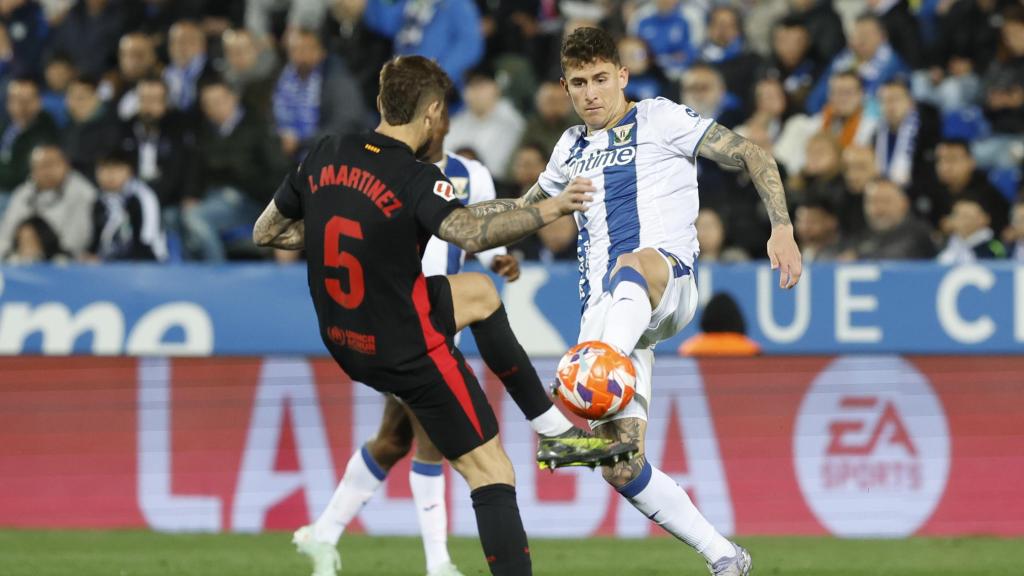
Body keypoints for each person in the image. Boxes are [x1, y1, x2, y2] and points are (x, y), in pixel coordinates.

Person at [252, 55, 598, 576]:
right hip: (404, 344)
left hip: (346, 336)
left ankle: (552, 429)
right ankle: (462, 549)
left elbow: (267, 232)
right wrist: (551, 209)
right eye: (444, 116)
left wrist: (344, 224)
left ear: (379, 104)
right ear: (433, 111)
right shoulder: (416, 177)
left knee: (480, 293)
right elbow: (469, 232)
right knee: (491, 469)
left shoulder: (325, 152)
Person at [523, 26, 801, 575]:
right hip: (607, 315)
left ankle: (587, 387)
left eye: (602, 79)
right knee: (621, 465)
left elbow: (750, 153)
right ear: (566, 86)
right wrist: (451, 228)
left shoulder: (658, 118)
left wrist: (783, 227)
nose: (591, 93)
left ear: (622, 76)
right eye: (579, 83)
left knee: (634, 262)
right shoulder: (568, 149)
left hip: (663, 282)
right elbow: (524, 208)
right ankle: (725, 556)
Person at [0, 143, 96, 258]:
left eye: (51, 165)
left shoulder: (82, 192)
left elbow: (77, 240)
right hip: (20, 260)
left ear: (66, 165)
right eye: (40, 166)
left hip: (62, 260)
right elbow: (6, 232)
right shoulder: (22, 193)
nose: (46, 171)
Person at [89, 148, 167, 262]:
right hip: (110, 263)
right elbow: (97, 237)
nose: (110, 175)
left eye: (117, 169)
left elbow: (147, 241)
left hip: (146, 259)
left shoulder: (143, 197)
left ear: (129, 171)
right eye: (104, 169)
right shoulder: (99, 200)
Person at [937, 196, 1007, 264]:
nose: (961, 221)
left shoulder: (993, 247)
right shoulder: (945, 244)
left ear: (983, 219)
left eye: (966, 216)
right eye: (957, 215)